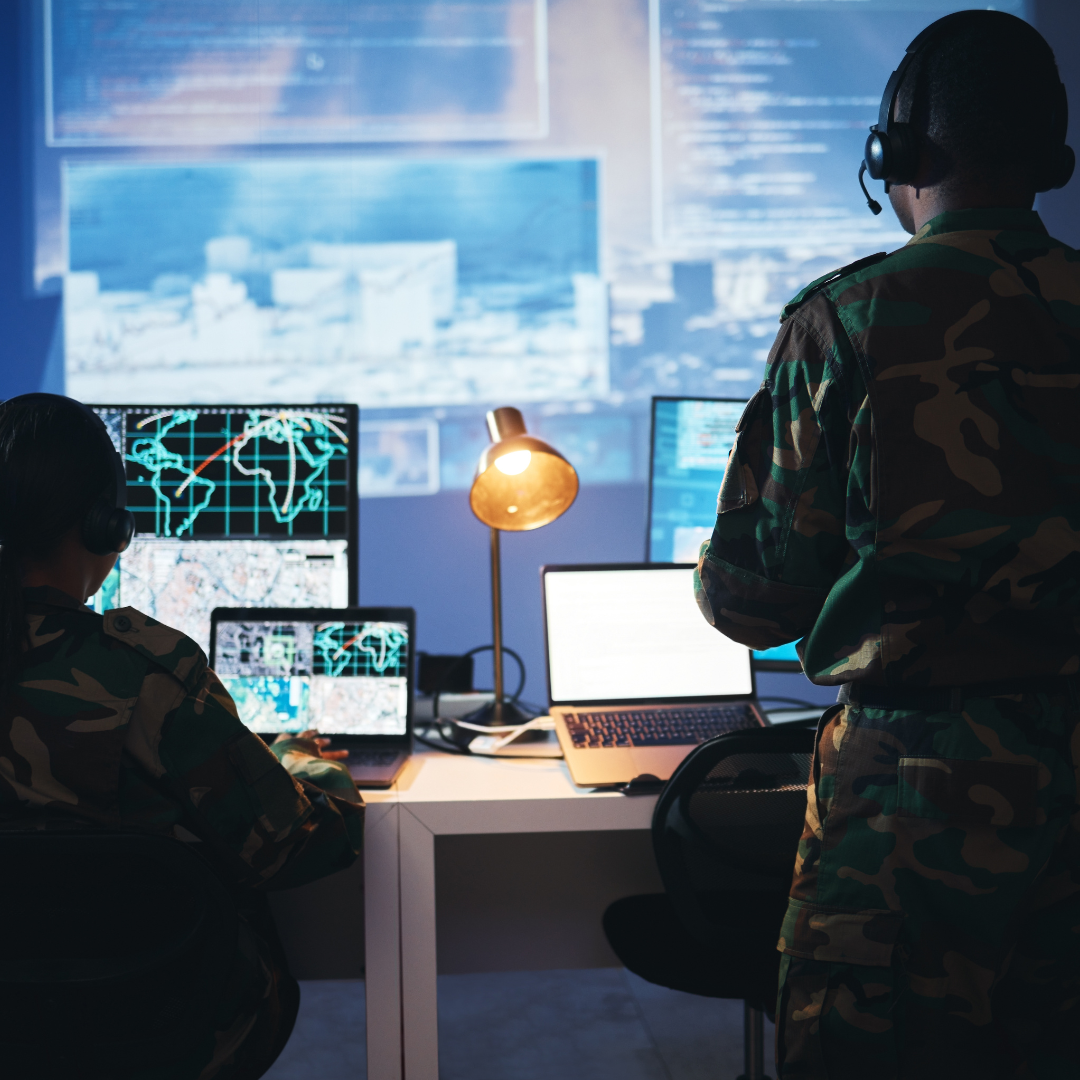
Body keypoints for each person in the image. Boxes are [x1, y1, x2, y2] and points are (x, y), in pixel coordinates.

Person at [693, 11, 1080, 1078]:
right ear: (1050, 154)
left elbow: (753, 599)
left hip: (913, 795)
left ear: (897, 153)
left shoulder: (852, 318)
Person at [0, 393, 365, 1079]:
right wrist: (302, 764)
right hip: (159, 1025)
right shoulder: (142, 672)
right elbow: (297, 849)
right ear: (105, 524)